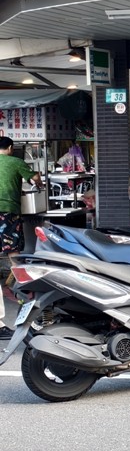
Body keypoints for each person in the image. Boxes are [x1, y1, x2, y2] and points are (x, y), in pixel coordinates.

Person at [0, 136, 43, 340]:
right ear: (9, 148)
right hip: (7, 212)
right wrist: (40, 181)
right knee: (14, 252)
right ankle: (24, 287)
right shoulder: (16, 162)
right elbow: (34, 179)